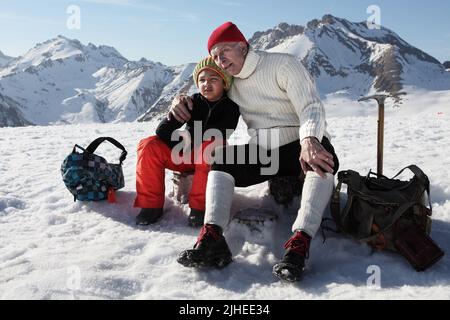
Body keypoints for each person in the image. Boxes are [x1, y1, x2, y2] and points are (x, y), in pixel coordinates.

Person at [173, 22, 339, 282]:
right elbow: (206, 96)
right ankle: (212, 237)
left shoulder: (282, 65)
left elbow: (311, 107)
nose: (220, 60)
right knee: (222, 160)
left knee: (323, 160)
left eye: (224, 51)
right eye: (215, 56)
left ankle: (299, 244)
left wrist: (309, 139)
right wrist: (179, 100)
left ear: (242, 46)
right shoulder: (230, 82)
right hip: (264, 151)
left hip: (299, 143)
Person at [134, 57, 240, 227]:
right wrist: (181, 145)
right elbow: (163, 130)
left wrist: (190, 141)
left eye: (213, 79)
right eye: (202, 80)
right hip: (185, 154)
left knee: (211, 143)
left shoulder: (231, 107)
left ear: (224, 83)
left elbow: (221, 131)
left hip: (212, 157)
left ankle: (200, 209)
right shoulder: (192, 102)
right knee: (148, 145)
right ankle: (150, 206)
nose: (207, 84)